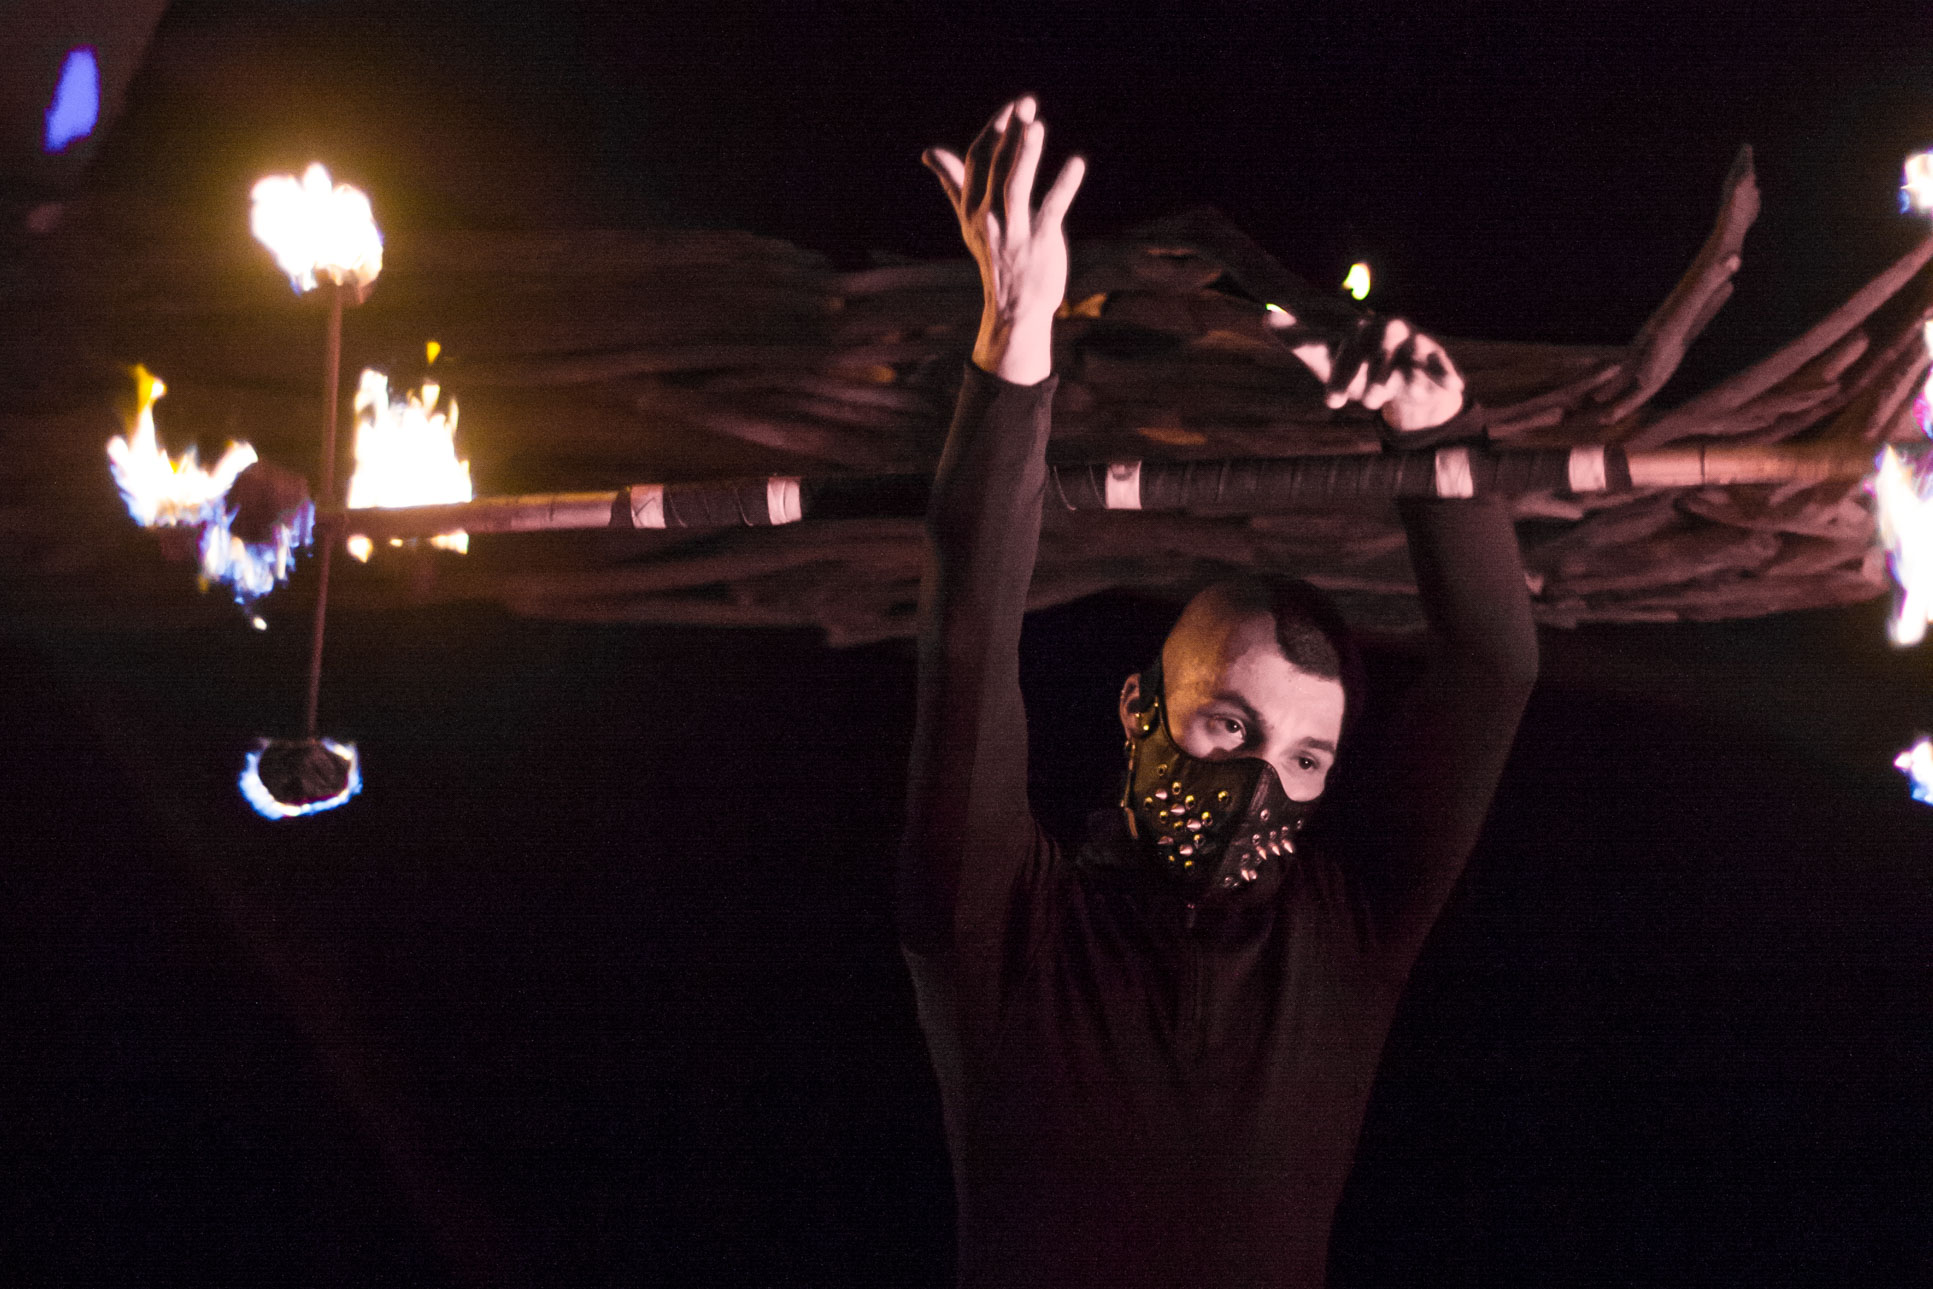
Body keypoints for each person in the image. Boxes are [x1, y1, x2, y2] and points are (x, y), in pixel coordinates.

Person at [900, 96, 1538, 1288]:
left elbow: (1492, 667)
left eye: (1304, 758)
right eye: (1229, 724)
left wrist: (1437, 432)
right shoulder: (999, 928)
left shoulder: (1348, 937)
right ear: (1140, 710)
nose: (1258, 784)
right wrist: (1017, 335)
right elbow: (969, 641)